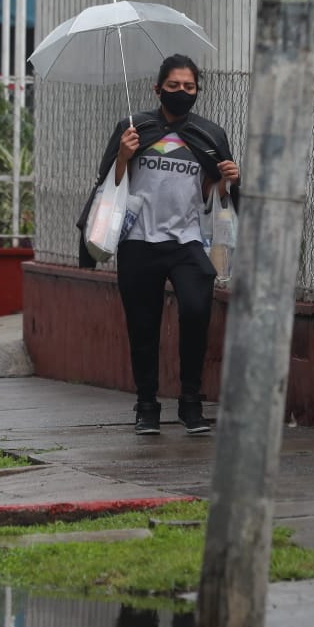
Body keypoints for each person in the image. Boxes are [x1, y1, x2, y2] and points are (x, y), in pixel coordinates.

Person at [77, 54, 240, 435]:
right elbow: (111, 186)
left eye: (189, 87)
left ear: (198, 91)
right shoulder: (133, 129)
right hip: (139, 241)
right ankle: (146, 404)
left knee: (198, 312)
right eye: (173, 86)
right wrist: (123, 155)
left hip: (187, 241)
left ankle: (190, 401)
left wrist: (228, 179)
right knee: (143, 324)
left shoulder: (210, 135)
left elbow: (210, 192)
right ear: (157, 89)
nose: (182, 93)